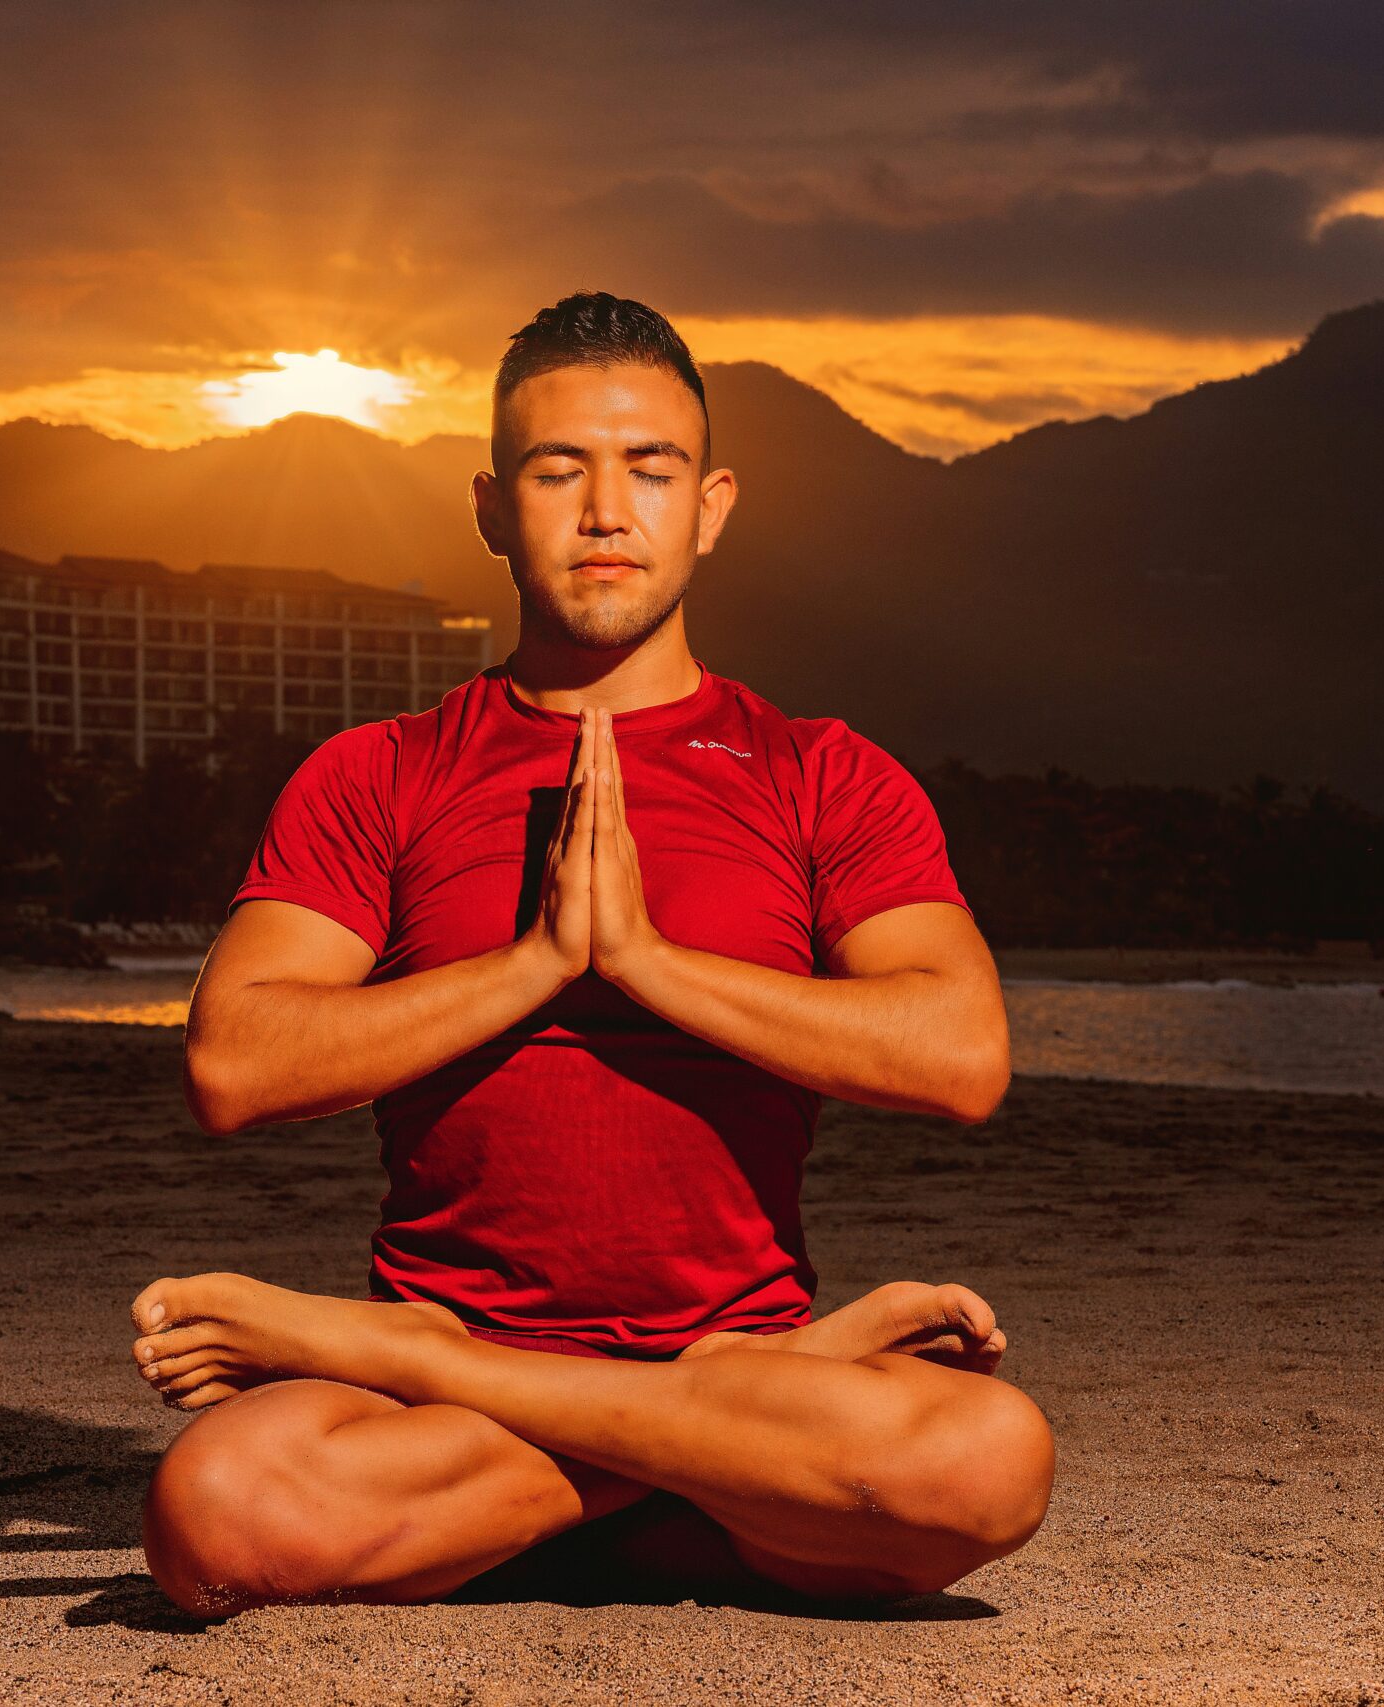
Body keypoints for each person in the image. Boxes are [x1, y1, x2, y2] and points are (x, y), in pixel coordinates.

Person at [130, 291, 1053, 1617]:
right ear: (493, 509)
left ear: (712, 506)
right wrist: (535, 964)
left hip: (667, 1375)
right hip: (692, 1435)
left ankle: (478, 1380)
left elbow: (961, 1055)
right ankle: (667, 1444)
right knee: (214, 1519)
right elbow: (233, 1064)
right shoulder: (381, 772)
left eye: (650, 470)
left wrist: (646, 963)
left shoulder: (820, 774)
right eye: (557, 469)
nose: (606, 511)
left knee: (990, 1462)